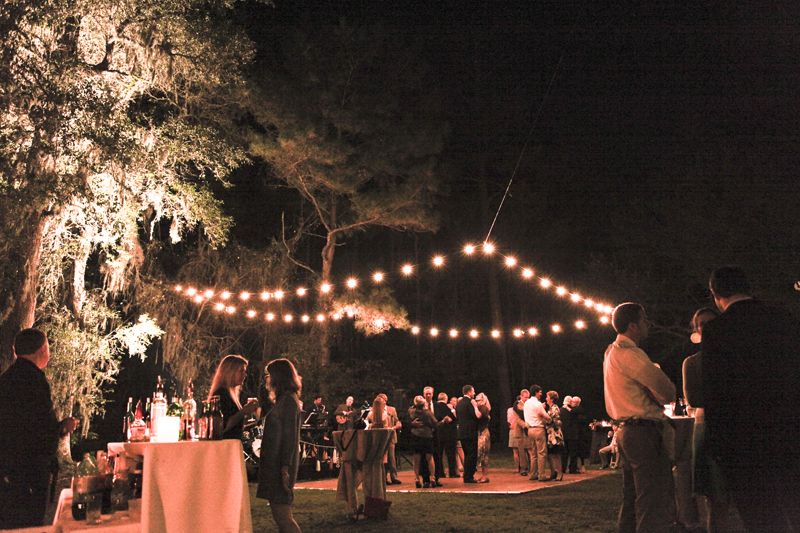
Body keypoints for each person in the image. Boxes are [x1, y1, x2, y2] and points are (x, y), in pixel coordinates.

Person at [702, 266, 800, 531]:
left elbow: (715, 392)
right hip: (789, 431)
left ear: (715, 294)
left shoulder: (716, 331)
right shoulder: (784, 319)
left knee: (759, 515)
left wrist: (718, 444)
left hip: (744, 440)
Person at [604, 302, 676, 533]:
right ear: (633, 326)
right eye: (644, 320)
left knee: (632, 495)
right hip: (643, 431)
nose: (648, 324)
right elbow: (667, 391)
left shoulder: (611, 353)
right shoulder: (631, 354)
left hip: (625, 429)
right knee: (651, 497)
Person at [0, 328, 79, 528]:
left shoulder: (7, 378)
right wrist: (63, 428)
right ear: (43, 350)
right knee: (29, 523)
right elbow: (39, 429)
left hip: (7, 468)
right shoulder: (34, 380)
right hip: (29, 470)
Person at [682, 307, 729, 532]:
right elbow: (693, 398)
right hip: (707, 426)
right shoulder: (692, 362)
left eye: (710, 322)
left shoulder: (735, 356)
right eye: (700, 323)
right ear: (696, 329)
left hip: (735, 427)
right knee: (714, 496)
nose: (705, 327)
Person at [256, 358, 302, 533]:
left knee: (284, 518)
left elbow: (289, 437)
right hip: (275, 464)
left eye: (269, 375)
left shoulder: (289, 401)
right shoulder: (284, 400)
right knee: (281, 518)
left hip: (280, 465)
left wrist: (285, 468)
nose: (267, 379)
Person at [208, 354, 259, 440]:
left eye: (245, 371)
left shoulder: (232, 393)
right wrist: (244, 411)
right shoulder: (221, 394)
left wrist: (246, 419)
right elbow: (223, 425)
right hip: (225, 446)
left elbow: (233, 423)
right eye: (241, 371)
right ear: (230, 372)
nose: (245, 375)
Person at [408, 395, 438, 488]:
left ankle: (417, 478)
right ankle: (432, 478)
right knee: (429, 458)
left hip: (415, 436)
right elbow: (435, 423)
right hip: (427, 436)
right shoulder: (427, 413)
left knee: (416, 459)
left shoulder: (411, 411)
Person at [523, 384, 551, 482]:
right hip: (538, 429)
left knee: (533, 454)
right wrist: (550, 418)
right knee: (541, 453)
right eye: (540, 392)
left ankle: (533, 474)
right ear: (536, 392)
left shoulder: (526, 403)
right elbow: (545, 416)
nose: (541, 394)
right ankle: (541, 475)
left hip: (530, 430)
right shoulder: (538, 404)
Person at [455, 385, 482, 483]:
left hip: (462, 432)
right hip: (470, 432)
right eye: (473, 391)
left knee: (467, 454)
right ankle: (469, 476)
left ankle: (467, 475)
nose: (474, 393)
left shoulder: (459, 404)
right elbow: (477, 416)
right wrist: (475, 406)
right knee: (472, 455)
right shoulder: (469, 403)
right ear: (469, 392)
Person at [434, 392, 458, 478]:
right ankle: (452, 472)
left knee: (439, 454)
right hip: (449, 435)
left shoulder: (435, 407)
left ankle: (440, 472)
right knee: (451, 454)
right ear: (446, 399)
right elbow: (454, 419)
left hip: (438, 434)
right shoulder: (446, 408)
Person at [545, 390, 565, 481]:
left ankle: (560, 473)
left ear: (552, 399)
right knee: (551, 454)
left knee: (557, 454)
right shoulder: (549, 408)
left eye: (547, 397)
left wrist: (545, 419)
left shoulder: (555, 408)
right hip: (550, 434)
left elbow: (554, 421)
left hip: (555, 434)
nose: (546, 398)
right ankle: (554, 472)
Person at [507, 396, 529, 476]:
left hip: (513, 430)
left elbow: (509, 421)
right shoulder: (524, 409)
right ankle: (525, 467)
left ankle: (518, 468)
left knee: (516, 451)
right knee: (525, 450)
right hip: (522, 429)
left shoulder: (510, 410)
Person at [475, 392, 491, 483]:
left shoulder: (483, 408)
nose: (476, 401)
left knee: (483, 454)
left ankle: (485, 476)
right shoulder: (480, 408)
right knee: (481, 454)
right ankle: (483, 475)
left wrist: (474, 406)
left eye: (478, 400)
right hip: (480, 432)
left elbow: (479, 417)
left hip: (483, 433)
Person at [449, 396, 464, 476]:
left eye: (455, 401)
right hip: (452, 432)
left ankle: (465, 466)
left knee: (459, 449)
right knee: (455, 451)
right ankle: (459, 466)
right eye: (452, 401)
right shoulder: (452, 409)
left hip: (458, 431)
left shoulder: (457, 410)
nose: (454, 402)